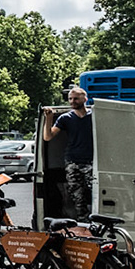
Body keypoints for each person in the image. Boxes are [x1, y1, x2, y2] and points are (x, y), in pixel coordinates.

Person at [43, 86, 94, 219]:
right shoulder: (66, 118)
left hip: (92, 161)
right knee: (77, 195)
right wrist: (49, 118)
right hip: (73, 161)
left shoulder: (94, 116)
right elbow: (47, 137)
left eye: (76, 98)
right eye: (70, 99)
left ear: (85, 99)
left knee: (96, 193)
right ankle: (83, 221)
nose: (72, 101)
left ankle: (97, 220)